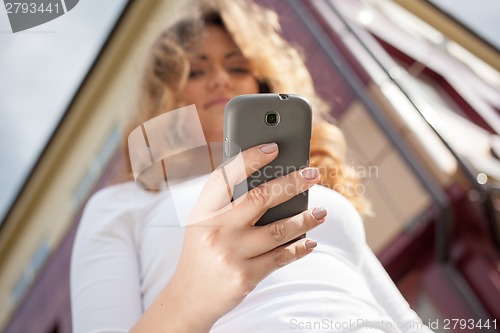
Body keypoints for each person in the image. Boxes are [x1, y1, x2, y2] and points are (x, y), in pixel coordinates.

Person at [70, 0, 432, 332]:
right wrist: (194, 291)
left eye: (238, 66)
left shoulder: (310, 187)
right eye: (196, 71)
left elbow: (403, 318)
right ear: (169, 95)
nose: (220, 79)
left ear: (259, 81)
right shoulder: (121, 205)